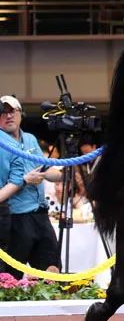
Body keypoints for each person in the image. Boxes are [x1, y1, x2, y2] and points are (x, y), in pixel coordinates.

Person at [0, 95, 63, 279]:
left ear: (21, 114)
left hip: (40, 213)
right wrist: (25, 180)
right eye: (3, 113)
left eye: (13, 111)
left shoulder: (30, 139)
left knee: (52, 270)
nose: (8, 116)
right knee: (11, 277)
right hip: (14, 217)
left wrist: (61, 174)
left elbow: (44, 170)